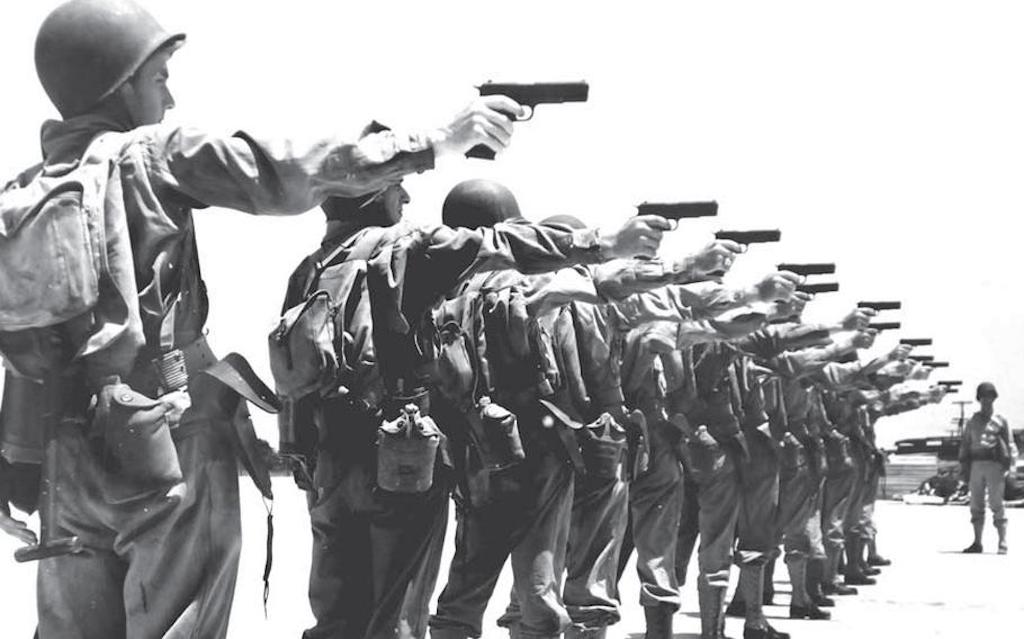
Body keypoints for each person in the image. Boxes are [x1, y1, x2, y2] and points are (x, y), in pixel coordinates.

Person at [0, 0, 554, 636]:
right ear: (119, 85)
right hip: (165, 442)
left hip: (65, 458)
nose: (169, 98)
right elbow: (285, 167)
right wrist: (436, 141)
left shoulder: (23, 194)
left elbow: (32, 343)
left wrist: (14, 462)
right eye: (158, 78)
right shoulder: (148, 156)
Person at [275, 177, 670, 639]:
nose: (406, 197)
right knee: (399, 614)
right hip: (405, 460)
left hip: (329, 463)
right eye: (396, 185)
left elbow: (290, 376)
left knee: (336, 616)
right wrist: (605, 243)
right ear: (372, 193)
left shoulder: (311, 269)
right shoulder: (406, 250)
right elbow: (501, 247)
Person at [959, 381, 1017, 555]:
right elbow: (965, 445)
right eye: (983, 397)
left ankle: (1002, 541)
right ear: (979, 399)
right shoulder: (973, 421)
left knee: (996, 503)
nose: (987, 400)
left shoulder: (1000, 420)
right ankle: (977, 542)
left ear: (994, 398)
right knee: (976, 504)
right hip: (976, 465)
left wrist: (1011, 470)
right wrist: (964, 468)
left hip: (994, 465)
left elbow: (1010, 445)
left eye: (990, 396)